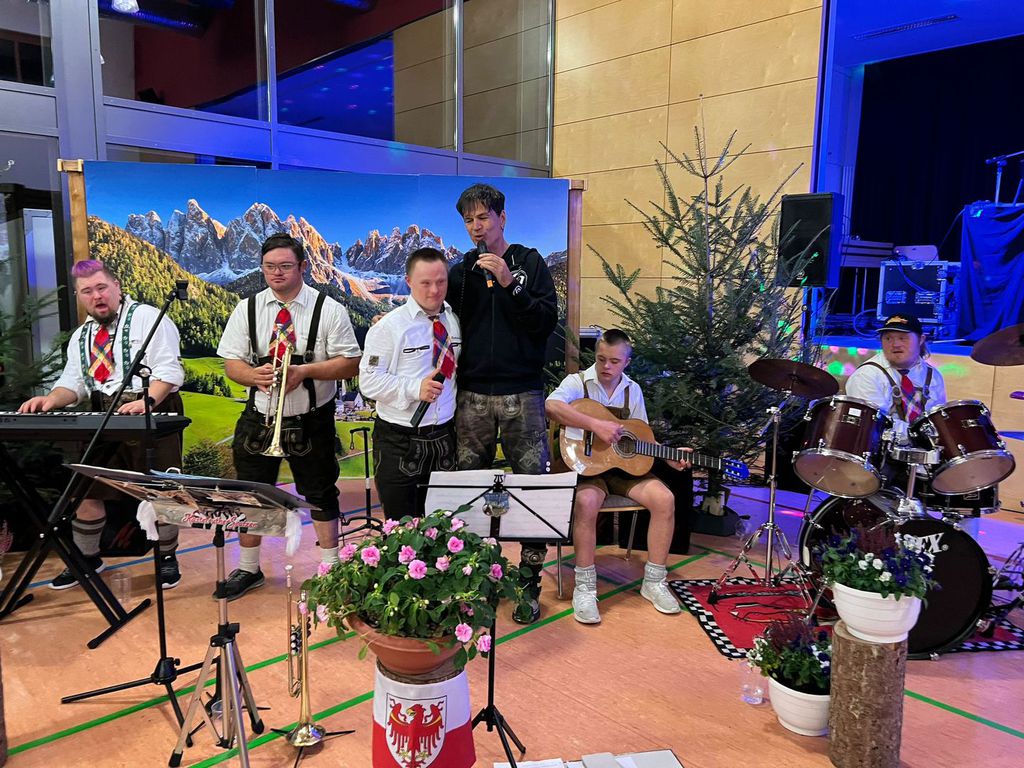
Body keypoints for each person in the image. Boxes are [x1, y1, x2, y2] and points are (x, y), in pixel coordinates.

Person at [18, 259, 186, 589]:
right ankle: (87, 558)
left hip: (152, 409)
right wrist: (50, 400)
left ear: (117, 287)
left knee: (162, 492)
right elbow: (73, 383)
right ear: (79, 296)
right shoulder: (82, 336)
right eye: (87, 291)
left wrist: (148, 401)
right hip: (102, 413)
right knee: (85, 489)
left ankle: (166, 557)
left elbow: (169, 370)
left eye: (101, 288)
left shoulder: (148, 318)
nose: (96, 296)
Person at [217, 234, 361, 600]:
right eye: (269, 267)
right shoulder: (247, 308)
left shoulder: (329, 309)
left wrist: (305, 371)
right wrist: (253, 376)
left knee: (321, 492)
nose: (276, 273)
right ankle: (248, 568)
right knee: (251, 494)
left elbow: (350, 363)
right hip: (259, 417)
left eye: (284, 266)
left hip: (312, 418)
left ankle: (331, 569)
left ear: (303, 267)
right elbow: (231, 363)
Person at [447, 182, 559, 625]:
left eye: (483, 217)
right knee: (469, 491)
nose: (476, 227)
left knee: (532, 491)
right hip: (471, 395)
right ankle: (476, 582)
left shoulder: (529, 262)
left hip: (523, 393)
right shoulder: (460, 272)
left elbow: (545, 323)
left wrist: (511, 284)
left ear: (502, 218)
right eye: (468, 220)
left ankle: (528, 585)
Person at [546, 329, 689, 624]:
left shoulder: (632, 390)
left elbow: (641, 436)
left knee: (665, 499)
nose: (606, 367)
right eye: (601, 359)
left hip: (622, 468)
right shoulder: (577, 382)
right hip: (585, 467)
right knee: (586, 502)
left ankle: (654, 582)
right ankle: (585, 588)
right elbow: (551, 406)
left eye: (614, 361)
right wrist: (595, 425)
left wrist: (668, 456)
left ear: (626, 362)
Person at [359, 247, 460, 520]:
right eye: (425, 283)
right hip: (400, 441)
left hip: (445, 438)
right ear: (408, 281)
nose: (434, 290)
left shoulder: (453, 320)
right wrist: (415, 388)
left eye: (441, 282)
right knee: (403, 530)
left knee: (444, 528)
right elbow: (368, 382)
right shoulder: (388, 327)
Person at [845, 314, 947, 444]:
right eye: (888, 338)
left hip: (925, 450)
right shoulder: (866, 375)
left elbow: (938, 419)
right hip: (881, 450)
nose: (895, 344)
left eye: (902, 338)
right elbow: (875, 425)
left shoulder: (933, 376)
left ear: (921, 340)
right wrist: (919, 435)